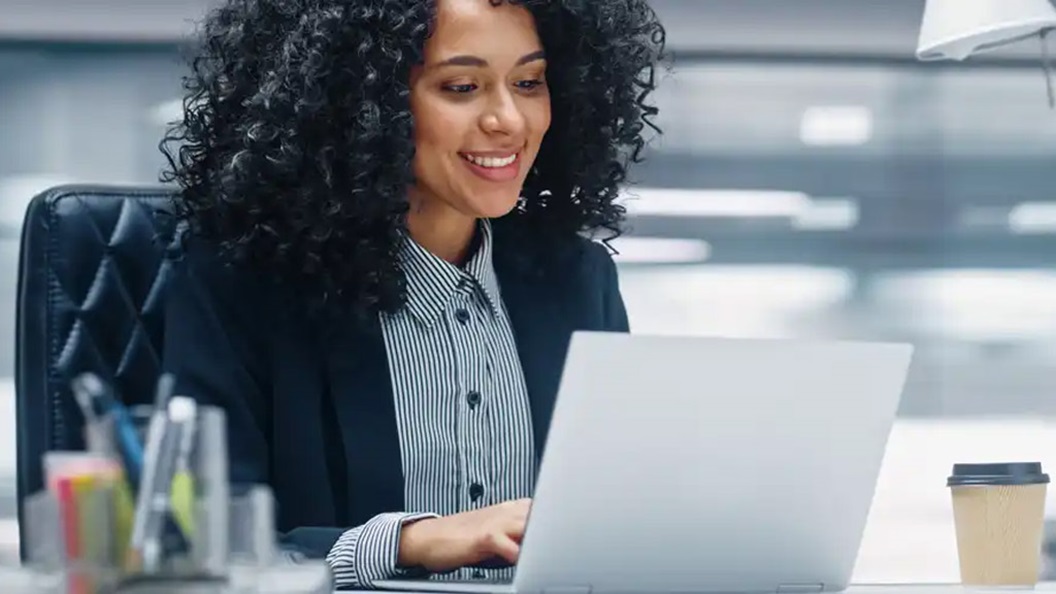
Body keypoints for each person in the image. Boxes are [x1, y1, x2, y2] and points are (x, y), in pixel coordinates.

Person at [159, 0, 666, 589]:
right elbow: (199, 543)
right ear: (359, 103)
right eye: (461, 87)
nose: (509, 119)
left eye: (529, 82)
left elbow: (611, 519)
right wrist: (410, 543)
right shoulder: (243, 285)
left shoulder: (577, 279)